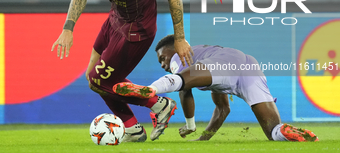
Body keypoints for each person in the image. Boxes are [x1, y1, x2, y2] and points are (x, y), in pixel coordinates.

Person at [51, 0, 193, 143]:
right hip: (114, 20)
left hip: (138, 30)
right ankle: (134, 128)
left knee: (99, 81)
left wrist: (180, 38)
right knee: (93, 77)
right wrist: (68, 27)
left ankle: (158, 104)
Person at [113, 34, 319, 142]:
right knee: (273, 131)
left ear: (174, 49)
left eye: (162, 58)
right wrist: (206, 137)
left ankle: (151, 90)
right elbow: (223, 109)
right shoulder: (205, 56)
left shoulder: (181, 54)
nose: (162, 63)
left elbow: (185, 90)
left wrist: (191, 124)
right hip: (249, 66)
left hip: (224, 63)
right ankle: (284, 130)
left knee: (179, 80)